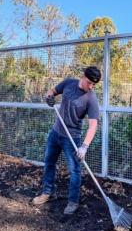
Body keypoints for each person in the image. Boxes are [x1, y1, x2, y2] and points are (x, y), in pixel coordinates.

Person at [32, 66, 101, 214]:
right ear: (82, 76)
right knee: (49, 162)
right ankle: (49, 193)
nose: (91, 87)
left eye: (94, 85)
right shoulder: (69, 83)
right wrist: (49, 97)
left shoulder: (91, 98)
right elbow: (52, 92)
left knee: (74, 170)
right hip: (56, 132)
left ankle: (73, 202)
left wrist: (84, 146)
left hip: (72, 138)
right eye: (89, 82)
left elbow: (93, 125)